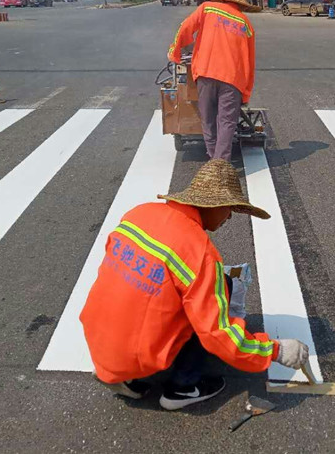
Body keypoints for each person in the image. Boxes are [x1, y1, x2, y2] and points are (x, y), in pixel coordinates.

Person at [80, 159, 310, 410]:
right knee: (221, 287)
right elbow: (217, 333)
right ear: (213, 205)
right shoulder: (199, 253)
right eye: (229, 208)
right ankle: (183, 388)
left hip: (98, 340)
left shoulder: (139, 213)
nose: (230, 216)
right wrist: (275, 350)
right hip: (142, 353)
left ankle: (118, 372)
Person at [167, 0, 260, 161]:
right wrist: (246, 93)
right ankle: (220, 165)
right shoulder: (246, 24)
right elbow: (250, 62)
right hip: (233, 80)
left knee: (208, 119)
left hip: (206, 72)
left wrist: (175, 52)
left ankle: (213, 161)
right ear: (242, 5)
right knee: (226, 123)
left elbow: (185, 27)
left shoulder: (207, 8)